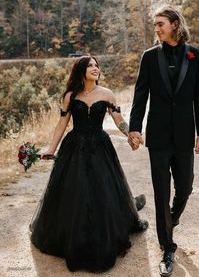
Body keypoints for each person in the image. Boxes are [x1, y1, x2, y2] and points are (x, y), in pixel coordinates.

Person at [30, 55, 148, 273]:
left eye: (97, 65)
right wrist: (50, 149)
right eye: (90, 66)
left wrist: (131, 135)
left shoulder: (107, 94)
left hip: (100, 147)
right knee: (75, 193)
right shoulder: (70, 96)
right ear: (81, 70)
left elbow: (119, 120)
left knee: (102, 192)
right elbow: (62, 124)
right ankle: (75, 237)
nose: (95, 68)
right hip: (74, 148)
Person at [128, 6, 199, 276]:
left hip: (185, 135)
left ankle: (169, 220)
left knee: (185, 188)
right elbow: (140, 95)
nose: (157, 28)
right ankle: (167, 247)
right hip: (159, 137)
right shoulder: (149, 57)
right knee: (161, 191)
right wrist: (135, 129)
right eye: (155, 25)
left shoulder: (196, 56)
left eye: (161, 23)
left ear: (175, 24)